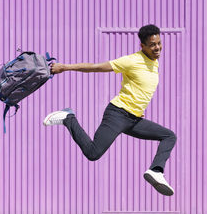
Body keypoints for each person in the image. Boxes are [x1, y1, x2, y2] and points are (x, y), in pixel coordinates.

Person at [43, 24, 177, 196]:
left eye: (158, 43)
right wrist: (65, 67)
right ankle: (68, 118)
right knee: (93, 153)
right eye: (152, 45)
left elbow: (141, 88)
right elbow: (95, 67)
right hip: (118, 114)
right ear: (142, 46)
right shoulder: (132, 60)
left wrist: (138, 107)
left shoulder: (154, 61)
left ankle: (156, 171)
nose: (157, 47)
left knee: (169, 136)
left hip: (134, 119)